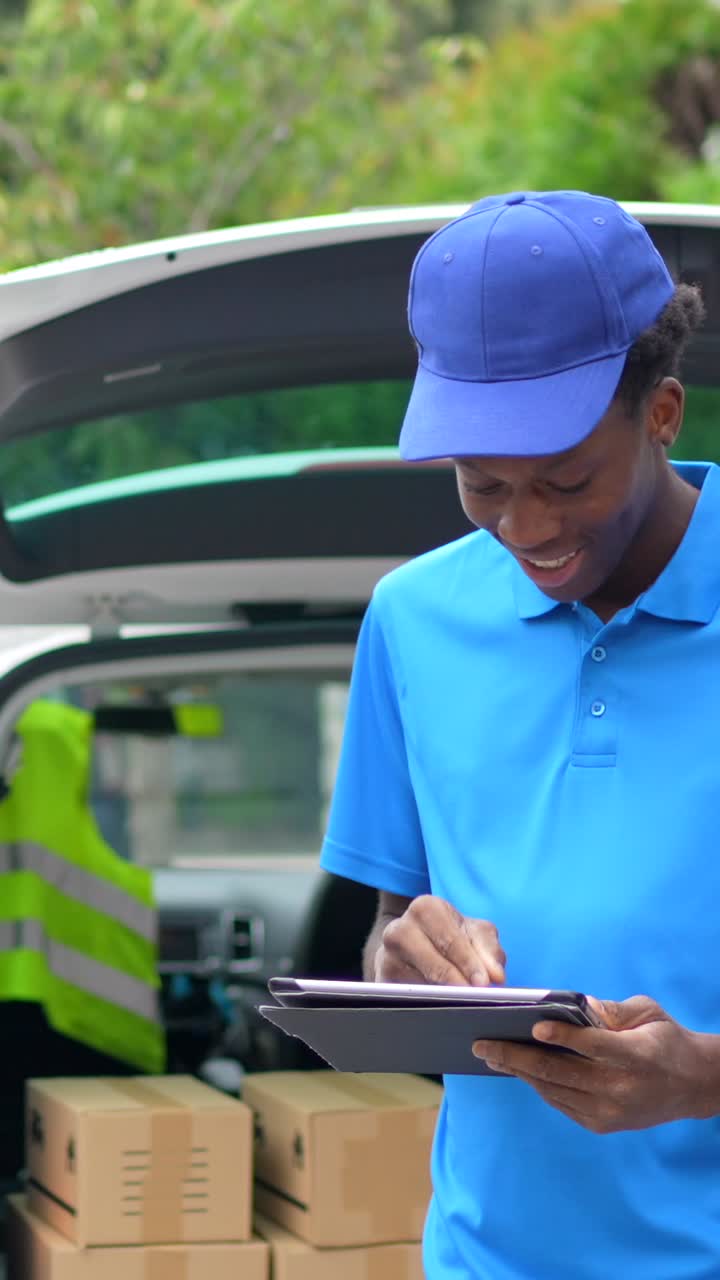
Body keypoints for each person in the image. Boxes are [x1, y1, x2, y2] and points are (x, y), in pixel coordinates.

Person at [319, 190, 720, 1279]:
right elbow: (391, 930)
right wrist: (400, 968)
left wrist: (702, 1076)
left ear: (665, 411)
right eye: (482, 484)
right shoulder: (412, 620)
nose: (527, 526)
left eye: (566, 478)